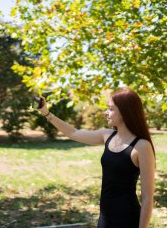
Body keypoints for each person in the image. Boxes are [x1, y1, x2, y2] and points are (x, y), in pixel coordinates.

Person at [37, 88, 155, 228]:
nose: (106, 112)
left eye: (111, 109)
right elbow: (74, 133)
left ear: (124, 112)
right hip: (105, 216)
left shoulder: (142, 146)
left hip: (127, 218)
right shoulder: (107, 136)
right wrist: (46, 113)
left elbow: (147, 198)